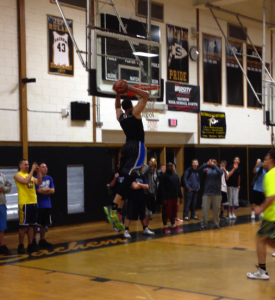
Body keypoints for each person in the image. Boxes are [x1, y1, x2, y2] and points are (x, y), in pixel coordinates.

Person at [111, 80, 149, 228]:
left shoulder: (120, 117)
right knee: (130, 176)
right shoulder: (135, 113)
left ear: (123, 108)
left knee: (126, 176)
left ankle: (116, 206)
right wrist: (128, 88)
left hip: (126, 146)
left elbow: (116, 106)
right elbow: (145, 95)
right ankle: (114, 207)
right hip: (136, 146)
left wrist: (118, 94)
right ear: (132, 106)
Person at [247, 149, 275, 280]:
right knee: (269, 239)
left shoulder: (270, 175)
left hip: (272, 215)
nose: (265, 159)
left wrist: (261, 208)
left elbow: (271, 197)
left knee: (260, 239)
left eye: (267, 157)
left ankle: (262, 271)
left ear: (271, 159)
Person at [14, 160, 42, 254]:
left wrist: (38, 172)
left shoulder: (31, 176)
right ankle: (21, 245)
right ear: (20, 165)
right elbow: (26, 181)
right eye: (25, 164)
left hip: (33, 202)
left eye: (28, 164)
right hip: (24, 203)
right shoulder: (17, 175)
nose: (27, 166)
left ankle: (30, 244)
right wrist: (32, 171)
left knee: (32, 225)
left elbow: (39, 182)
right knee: (23, 226)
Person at [124, 167, 155, 239]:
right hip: (132, 198)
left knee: (142, 214)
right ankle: (126, 230)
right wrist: (141, 185)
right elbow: (134, 187)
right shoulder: (130, 176)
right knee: (130, 214)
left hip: (141, 198)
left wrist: (139, 184)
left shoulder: (142, 176)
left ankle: (145, 229)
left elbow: (147, 186)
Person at [33, 163, 55, 248]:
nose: (45, 168)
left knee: (44, 224)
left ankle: (42, 240)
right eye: (43, 167)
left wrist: (45, 190)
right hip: (38, 205)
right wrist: (47, 189)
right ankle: (34, 240)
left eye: (46, 167)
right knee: (36, 224)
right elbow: (39, 191)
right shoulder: (35, 178)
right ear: (39, 169)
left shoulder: (50, 178)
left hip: (47, 205)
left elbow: (53, 190)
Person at [158, 162, 183, 234]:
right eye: (168, 166)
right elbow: (161, 188)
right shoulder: (164, 176)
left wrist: (180, 196)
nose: (170, 167)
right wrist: (164, 198)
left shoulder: (176, 176)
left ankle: (173, 225)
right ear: (166, 167)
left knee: (173, 212)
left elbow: (178, 187)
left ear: (173, 167)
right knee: (166, 212)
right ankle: (165, 226)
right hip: (167, 198)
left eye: (171, 166)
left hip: (174, 197)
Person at [199, 158, 223, 230]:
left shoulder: (219, 170)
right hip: (207, 193)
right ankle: (204, 224)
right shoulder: (206, 169)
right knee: (205, 210)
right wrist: (206, 164)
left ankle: (216, 224)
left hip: (216, 193)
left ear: (217, 163)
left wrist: (214, 166)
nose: (212, 163)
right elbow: (199, 170)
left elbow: (221, 173)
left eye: (214, 162)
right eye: (211, 161)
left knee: (216, 210)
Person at [104, 163, 125, 231]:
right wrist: (115, 178)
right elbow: (111, 185)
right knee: (115, 212)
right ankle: (115, 225)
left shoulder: (125, 174)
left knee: (120, 211)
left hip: (123, 195)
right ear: (118, 165)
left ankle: (120, 224)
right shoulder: (114, 173)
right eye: (119, 164)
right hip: (116, 194)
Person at [142, 158, 158, 227]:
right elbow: (143, 173)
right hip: (146, 193)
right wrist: (148, 166)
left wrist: (155, 194)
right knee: (147, 212)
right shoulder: (146, 169)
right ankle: (145, 227)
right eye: (151, 162)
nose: (152, 163)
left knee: (151, 212)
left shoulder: (156, 171)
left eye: (153, 162)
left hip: (152, 193)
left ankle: (146, 226)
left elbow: (156, 183)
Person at [0, 171, 12, 255]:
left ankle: (2, 246)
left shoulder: (2, 176)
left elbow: (9, 186)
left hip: (1, 204)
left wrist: (5, 189)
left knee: (1, 227)